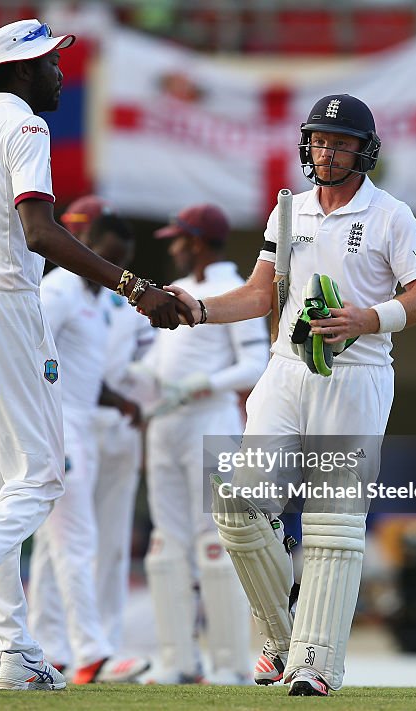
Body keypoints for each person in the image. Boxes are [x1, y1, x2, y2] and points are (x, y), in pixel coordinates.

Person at [0, 19, 187, 691]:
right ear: (17, 72)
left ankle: (15, 650)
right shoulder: (26, 128)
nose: (58, 74)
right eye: (46, 63)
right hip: (6, 301)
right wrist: (134, 284)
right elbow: (40, 233)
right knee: (43, 475)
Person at [166, 94, 416, 696]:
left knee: (333, 526)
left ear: (364, 151)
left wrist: (366, 319)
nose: (327, 151)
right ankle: (280, 637)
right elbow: (261, 295)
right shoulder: (287, 211)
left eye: (340, 143)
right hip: (285, 370)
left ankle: (316, 663)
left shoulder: (391, 215)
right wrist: (197, 309)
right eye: (319, 140)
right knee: (238, 505)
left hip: (359, 374)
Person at [138, 203, 269, 684]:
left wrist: (204, 384)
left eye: (177, 238)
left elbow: (256, 363)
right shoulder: (181, 292)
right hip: (167, 426)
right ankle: (178, 662)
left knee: (216, 544)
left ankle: (230, 666)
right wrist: (144, 378)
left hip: (210, 423)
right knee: (164, 544)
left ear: (194, 241)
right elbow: (158, 358)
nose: (171, 246)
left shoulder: (226, 291)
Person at [28, 213, 149, 683]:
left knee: (56, 543)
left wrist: (121, 402)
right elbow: (28, 352)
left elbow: (82, 375)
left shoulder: (99, 301)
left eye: (119, 262)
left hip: (80, 422)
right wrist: (41, 417)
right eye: (105, 258)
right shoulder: (58, 292)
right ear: (86, 247)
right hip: (56, 425)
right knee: (77, 539)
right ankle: (91, 653)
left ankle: (47, 648)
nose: (110, 268)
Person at [62, 197, 156, 656]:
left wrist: (133, 398)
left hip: (113, 425)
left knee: (109, 540)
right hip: (69, 420)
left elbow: (149, 365)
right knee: (63, 539)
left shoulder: (119, 301)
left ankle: (105, 642)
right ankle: (59, 643)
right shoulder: (63, 289)